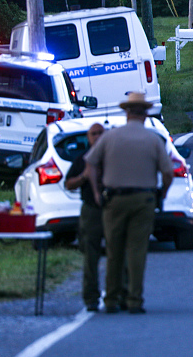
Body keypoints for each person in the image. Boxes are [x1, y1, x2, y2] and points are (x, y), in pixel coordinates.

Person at [85, 92, 173, 314]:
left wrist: (96, 191)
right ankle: (134, 299)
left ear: (126, 113)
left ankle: (112, 299)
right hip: (143, 198)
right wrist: (161, 194)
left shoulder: (110, 137)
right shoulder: (153, 139)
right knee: (136, 250)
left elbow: (91, 163)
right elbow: (168, 172)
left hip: (114, 199)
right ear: (144, 114)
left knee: (114, 250)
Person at [65, 122, 106, 312]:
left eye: (100, 133)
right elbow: (68, 184)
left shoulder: (113, 158)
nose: (97, 137)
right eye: (93, 134)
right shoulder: (82, 160)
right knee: (90, 256)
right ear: (88, 138)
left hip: (113, 210)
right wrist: (83, 176)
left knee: (118, 254)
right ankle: (91, 298)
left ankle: (119, 294)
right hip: (91, 211)